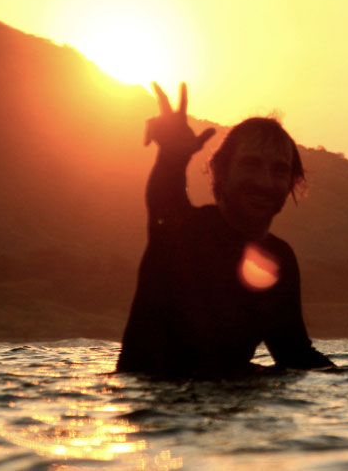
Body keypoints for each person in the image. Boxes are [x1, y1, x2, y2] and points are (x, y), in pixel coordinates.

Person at [116, 82, 333, 377]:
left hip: (235, 408)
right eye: (251, 165)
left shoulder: (278, 259)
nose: (264, 182)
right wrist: (172, 155)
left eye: (279, 171)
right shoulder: (180, 230)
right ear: (221, 171)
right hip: (158, 407)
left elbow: (293, 353)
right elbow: (165, 194)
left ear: (292, 185)